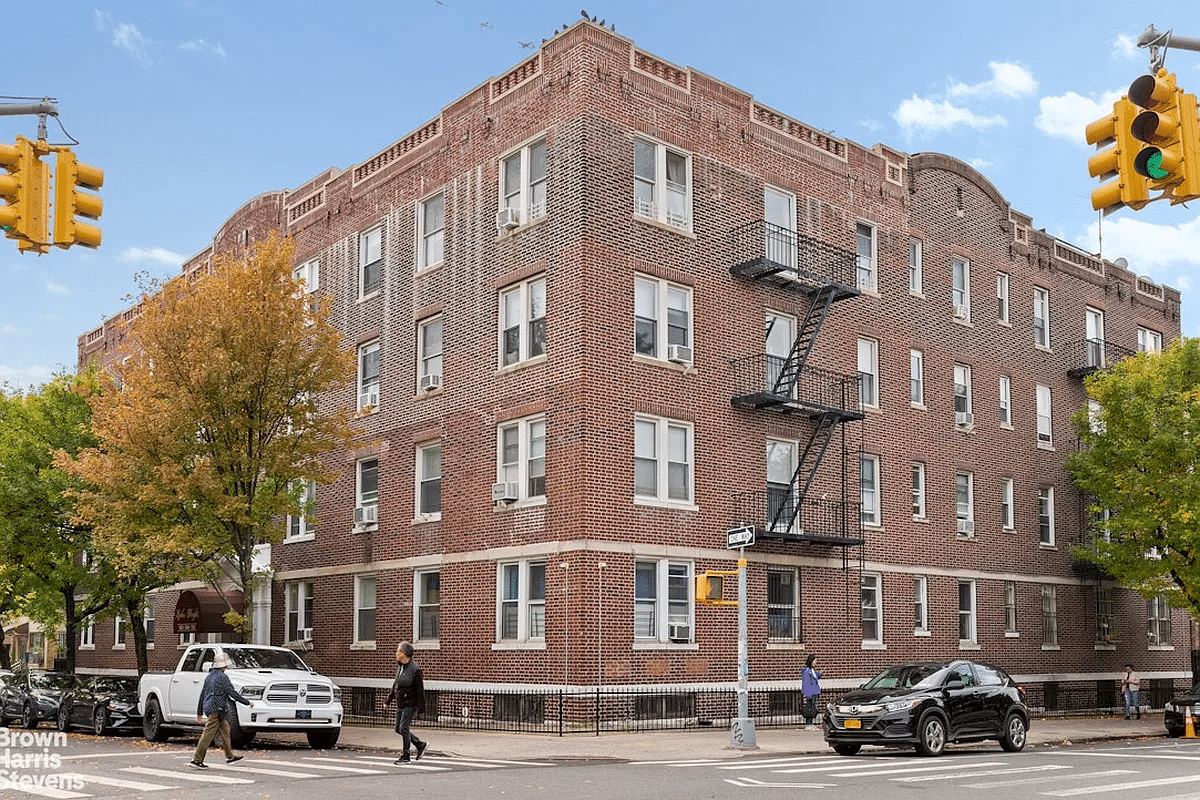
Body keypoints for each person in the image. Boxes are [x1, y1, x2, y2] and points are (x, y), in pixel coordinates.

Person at [191, 652, 254, 769]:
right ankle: (197, 760)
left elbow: (202, 694)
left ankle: (229, 756)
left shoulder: (209, 677)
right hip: (217, 710)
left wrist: (199, 712)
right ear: (224, 665)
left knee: (225, 730)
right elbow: (232, 693)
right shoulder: (223, 677)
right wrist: (247, 702)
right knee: (207, 735)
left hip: (211, 709)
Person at [386, 641, 428, 764]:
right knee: (398, 729)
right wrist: (388, 700)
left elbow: (420, 690)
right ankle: (420, 745)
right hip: (401, 703)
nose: (396, 654)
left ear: (405, 654)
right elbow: (396, 685)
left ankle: (406, 756)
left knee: (404, 728)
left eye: (399, 651)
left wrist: (421, 709)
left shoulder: (415, 670)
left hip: (410, 704)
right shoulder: (400, 667)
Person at [801, 653, 822, 729]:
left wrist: (819, 674)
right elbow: (806, 683)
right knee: (809, 708)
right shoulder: (807, 671)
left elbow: (815, 678)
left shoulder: (813, 670)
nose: (816, 663)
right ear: (811, 661)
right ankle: (808, 723)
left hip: (815, 691)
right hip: (810, 692)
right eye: (815, 661)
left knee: (813, 708)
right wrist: (808, 694)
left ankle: (811, 722)